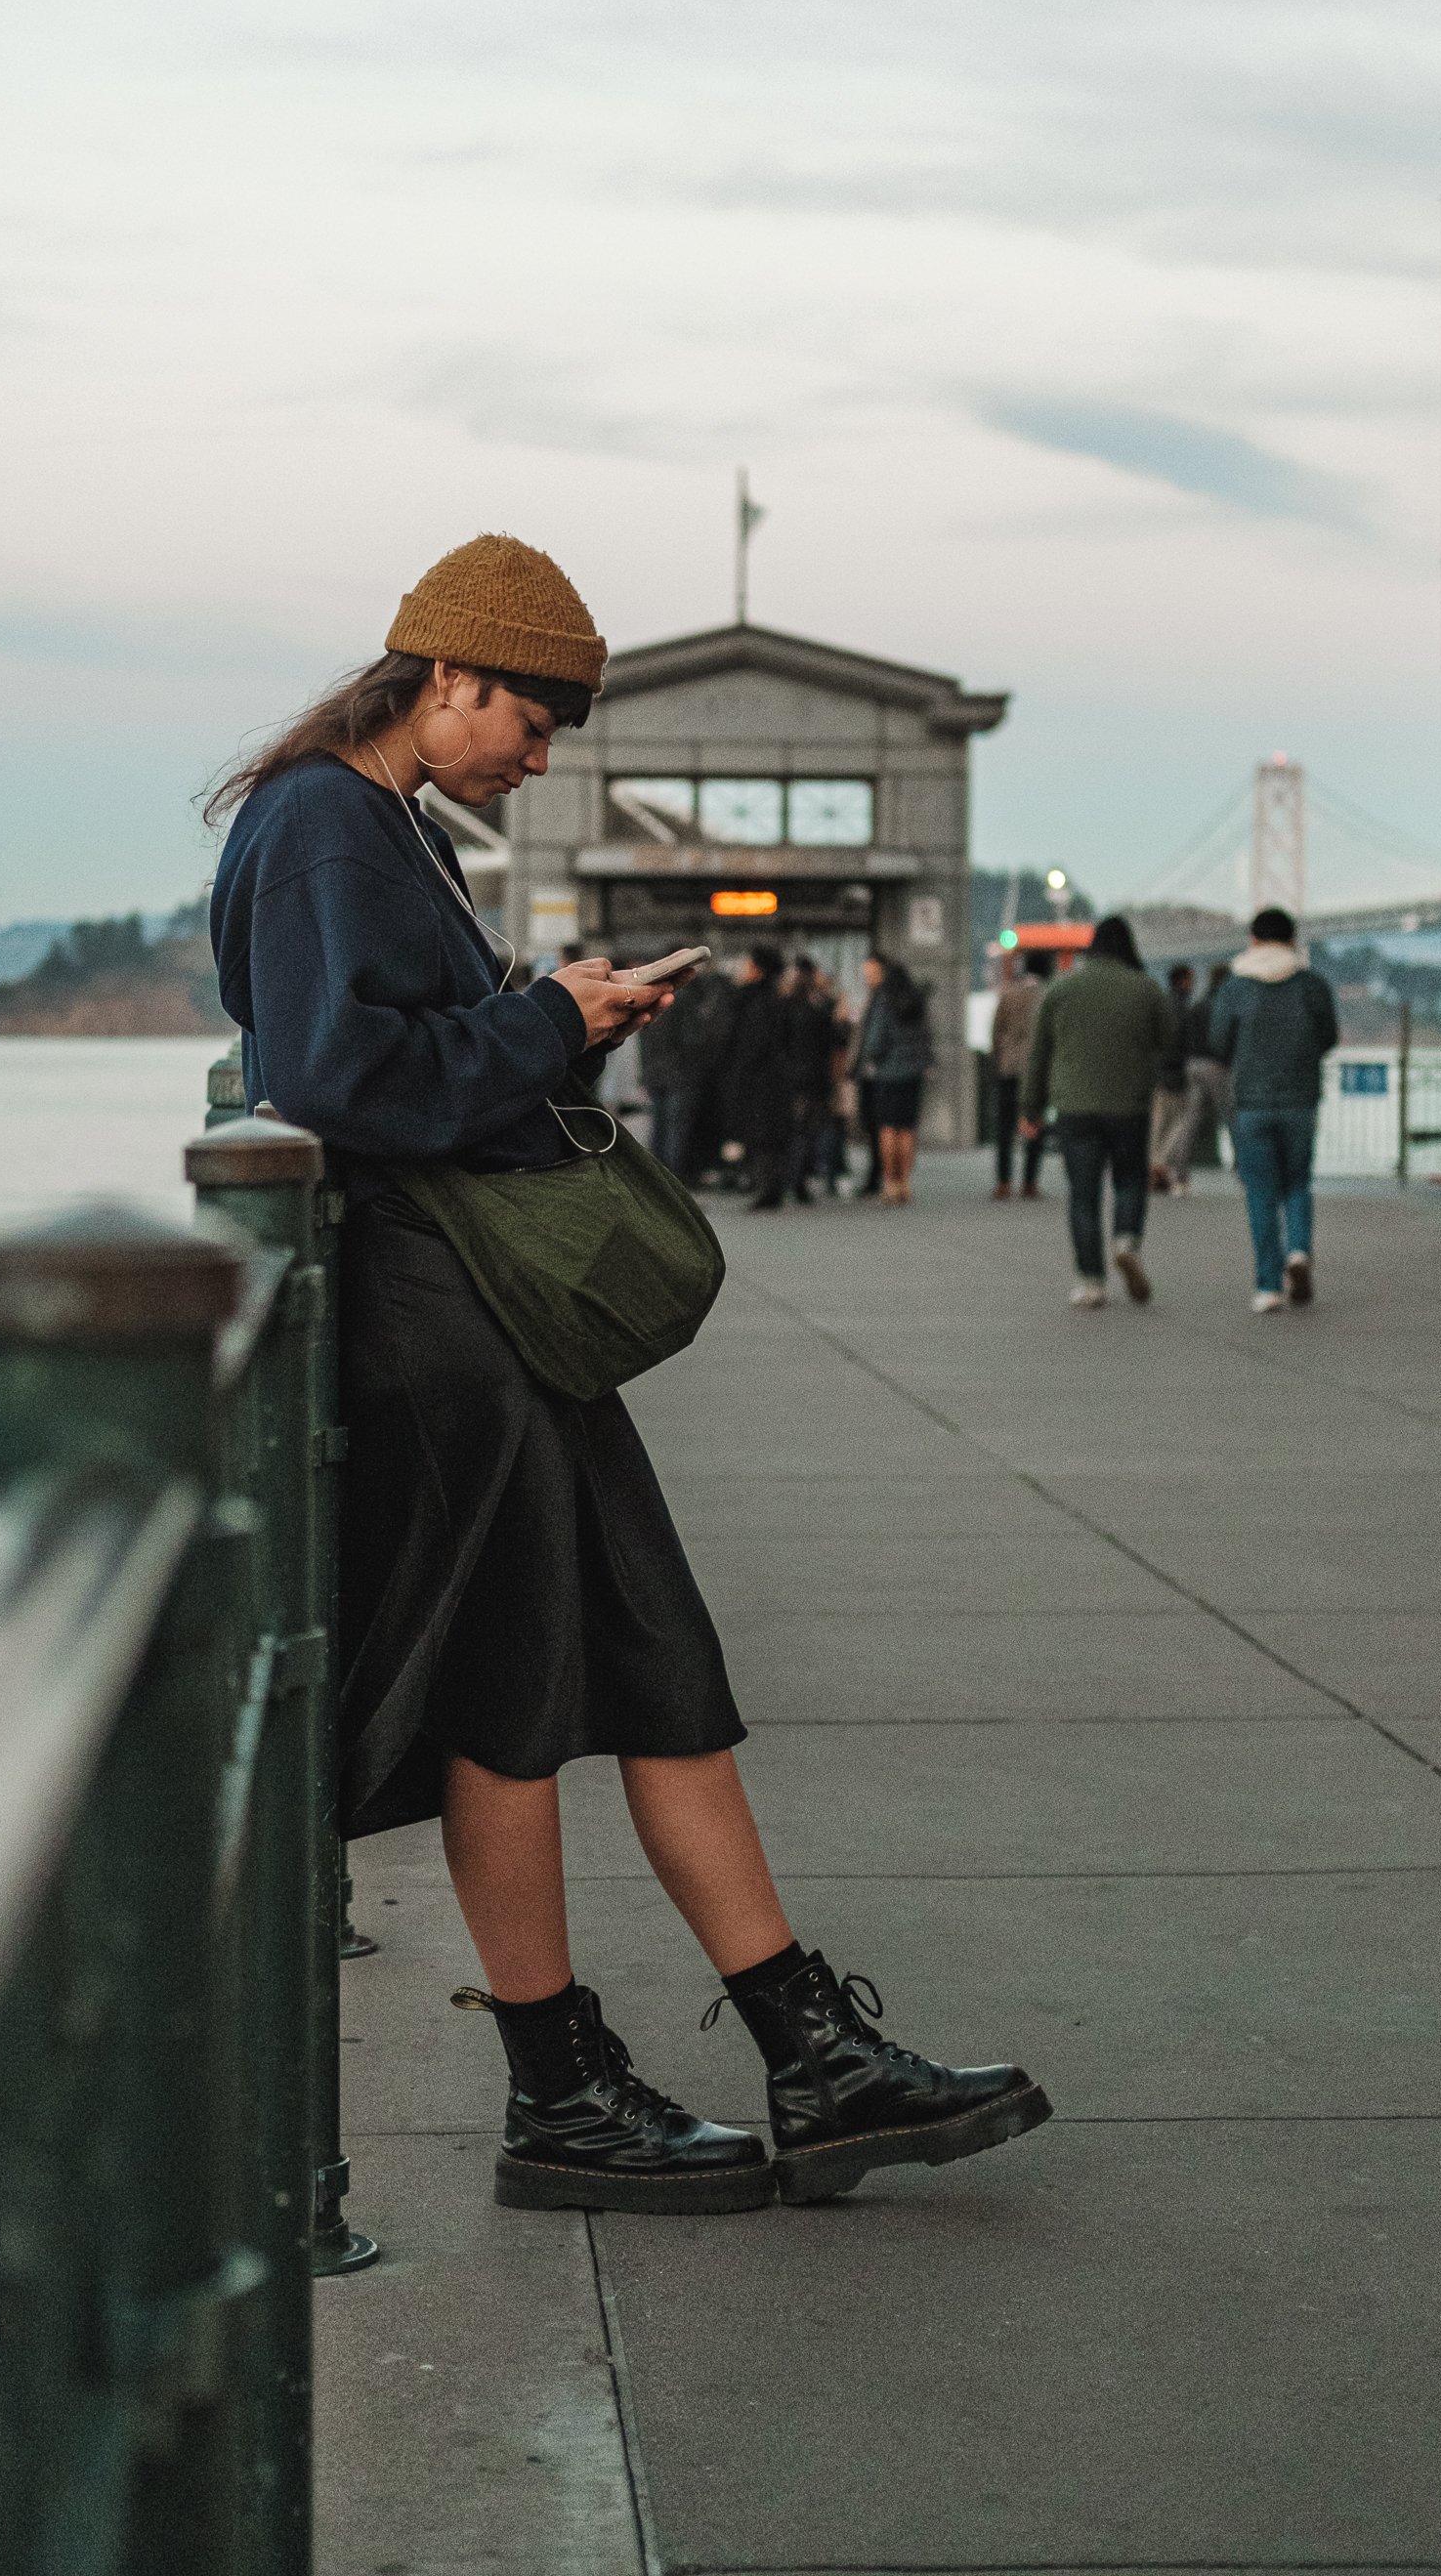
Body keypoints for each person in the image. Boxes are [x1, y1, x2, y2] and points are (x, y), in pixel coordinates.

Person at [206, 532, 1050, 2214]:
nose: (542, 755)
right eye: (532, 717)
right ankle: (566, 2087)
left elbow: (372, 1058)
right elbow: (328, 1073)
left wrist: (551, 1017)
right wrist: (550, 1027)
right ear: (444, 676)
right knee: (513, 1703)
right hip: (440, 1330)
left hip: (481, 1321)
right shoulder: (321, 823)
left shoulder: (374, 825)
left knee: (655, 1658)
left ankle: (807, 2051)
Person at [1019, 915, 1176, 1307]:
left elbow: (1040, 1054)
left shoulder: (1062, 988)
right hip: (1129, 1105)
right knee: (1129, 1181)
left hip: (1074, 1107)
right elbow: (1169, 1044)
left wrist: (1030, 1107)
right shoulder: (1145, 989)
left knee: (1083, 1196)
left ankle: (1091, 1282)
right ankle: (1126, 1240)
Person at [1208, 906, 1339, 1310]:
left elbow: (1217, 1042)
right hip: (1300, 1100)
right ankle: (1298, 1249)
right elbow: (1329, 1037)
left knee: (1261, 1192)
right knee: (1298, 1182)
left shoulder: (1235, 986)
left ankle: (1268, 1287)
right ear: (1292, 940)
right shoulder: (1311, 984)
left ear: (1252, 939)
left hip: (1251, 1103)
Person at [638, 959, 733, 1183]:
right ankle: (674, 1178)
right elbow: (693, 1039)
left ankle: (657, 1177)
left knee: (660, 1126)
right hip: (679, 1074)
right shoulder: (685, 1001)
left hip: (655, 1072)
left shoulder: (652, 998)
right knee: (677, 1127)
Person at [718, 944, 794, 1209]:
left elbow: (751, 1043)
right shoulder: (777, 998)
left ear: (758, 970)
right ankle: (770, 1187)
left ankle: (766, 1188)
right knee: (768, 1135)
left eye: (748, 965)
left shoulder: (754, 1001)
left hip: (758, 1079)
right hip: (773, 1078)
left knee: (762, 1134)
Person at [856, 953, 932, 1204]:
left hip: (887, 1073)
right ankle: (905, 1182)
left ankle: (890, 1183)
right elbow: (926, 1036)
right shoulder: (916, 1000)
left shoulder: (884, 1000)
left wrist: (872, 1057)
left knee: (887, 1127)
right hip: (913, 1072)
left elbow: (875, 1041)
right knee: (907, 1128)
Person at [1161, 961, 1235, 1194]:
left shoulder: (1198, 1005)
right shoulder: (1224, 1005)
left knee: (1190, 1121)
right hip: (1215, 1065)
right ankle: (1245, 1170)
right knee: (1232, 1118)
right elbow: (1225, 1038)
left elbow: (1182, 1037)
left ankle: (1180, 1176)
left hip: (1192, 1066)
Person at [990, 949, 1050, 1200]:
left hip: (1009, 1068)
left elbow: (996, 1030)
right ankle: (1030, 1182)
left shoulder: (1009, 994)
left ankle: (1004, 1182)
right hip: (1037, 1070)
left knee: (1004, 1126)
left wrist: (999, 1058)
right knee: (1035, 1123)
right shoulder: (1048, 995)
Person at [783, 956, 844, 1201]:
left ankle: (792, 1177)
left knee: (795, 1129)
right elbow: (834, 1040)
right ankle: (801, 1179)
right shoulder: (819, 1009)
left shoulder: (785, 1008)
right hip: (816, 1078)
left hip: (792, 1077)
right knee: (810, 1130)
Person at [1147, 964, 1197, 1191]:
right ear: (1183, 981)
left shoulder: (1161, 1003)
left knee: (1158, 1126)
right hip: (1174, 1073)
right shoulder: (1183, 1007)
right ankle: (1160, 1166)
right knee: (1179, 1123)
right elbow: (1181, 1043)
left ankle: (1154, 1166)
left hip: (1157, 1073)